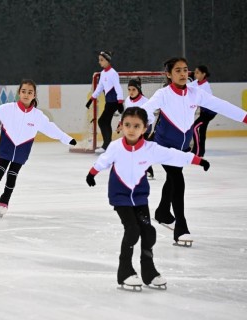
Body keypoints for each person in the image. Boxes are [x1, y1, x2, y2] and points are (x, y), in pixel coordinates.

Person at [85, 107, 210, 288]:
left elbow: (173, 155)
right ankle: (125, 270)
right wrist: (92, 173)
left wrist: (197, 160)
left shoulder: (151, 149)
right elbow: (103, 161)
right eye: (127, 125)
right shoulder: (115, 147)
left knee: (148, 232)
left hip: (140, 195)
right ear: (121, 125)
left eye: (136, 126)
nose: (131, 129)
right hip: (120, 196)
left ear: (145, 129)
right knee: (132, 230)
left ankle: (148, 271)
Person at [141, 57, 247, 243]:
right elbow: (146, 111)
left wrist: (245, 117)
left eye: (185, 70)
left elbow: (220, 105)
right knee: (177, 179)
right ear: (169, 74)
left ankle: (163, 211)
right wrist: (138, 123)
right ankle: (181, 227)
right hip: (163, 145)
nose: (183, 74)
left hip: (182, 147)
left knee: (173, 178)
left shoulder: (195, 93)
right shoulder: (163, 94)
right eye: (178, 71)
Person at [0, 79, 76, 218]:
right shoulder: (8, 109)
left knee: (12, 176)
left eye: (30, 92)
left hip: (22, 151)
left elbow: (51, 128)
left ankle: (5, 200)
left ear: (34, 95)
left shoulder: (37, 116)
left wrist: (66, 138)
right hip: (7, 147)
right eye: (24, 91)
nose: (26, 94)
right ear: (19, 92)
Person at [85, 51, 124, 154]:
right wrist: (91, 99)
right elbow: (100, 87)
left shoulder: (113, 73)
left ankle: (106, 145)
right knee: (105, 121)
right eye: (99, 60)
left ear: (107, 60)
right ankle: (108, 145)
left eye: (101, 60)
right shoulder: (103, 73)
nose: (99, 62)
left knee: (102, 121)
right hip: (109, 102)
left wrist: (120, 102)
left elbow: (118, 87)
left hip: (114, 102)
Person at [123, 77, 154, 178]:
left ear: (139, 89)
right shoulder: (127, 100)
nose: (131, 92)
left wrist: (145, 127)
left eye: (133, 89)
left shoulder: (145, 101)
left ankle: (147, 171)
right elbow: (126, 114)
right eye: (129, 89)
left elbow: (151, 117)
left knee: (141, 150)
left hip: (145, 129)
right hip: (134, 129)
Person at [188, 65, 215, 157]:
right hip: (204, 112)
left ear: (204, 74)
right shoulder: (196, 82)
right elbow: (187, 86)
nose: (195, 74)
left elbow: (202, 100)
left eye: (197, 72)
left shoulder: (205, 86)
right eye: (195, 72)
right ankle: (200, 151)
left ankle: (197, 150)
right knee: (202, 131)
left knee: (195, 127)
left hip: (209, 112)